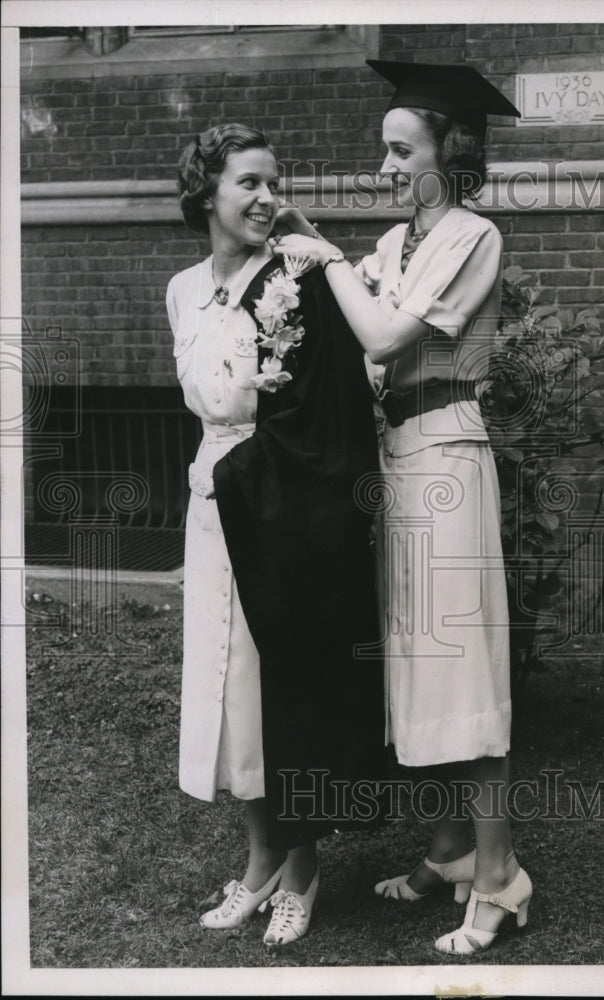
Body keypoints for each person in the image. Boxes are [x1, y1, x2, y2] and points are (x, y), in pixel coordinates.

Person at [270, 60, 532, 956]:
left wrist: (327, 255)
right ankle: (451, 847)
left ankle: (498, 879)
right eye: (381, 149)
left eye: (397, 149)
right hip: (398, 457)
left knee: (462, 670)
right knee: (417, 664)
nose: (381, 166)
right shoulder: (394, 243)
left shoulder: (471, 233)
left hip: (448, 455)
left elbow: (381, 336)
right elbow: (357, 344)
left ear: (448, 154)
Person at [166, 123, 385, 948]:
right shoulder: (182, 289)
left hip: (281, 503)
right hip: (211, 501)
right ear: (207, 193)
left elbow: (326, 414)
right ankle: (259, 860)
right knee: (231, 692)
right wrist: (217, 478)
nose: (267, 199)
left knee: (285, 683)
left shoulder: (297, 278)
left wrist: (267, 485)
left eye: (272, 181)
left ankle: (302, 872)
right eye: (248, 183)